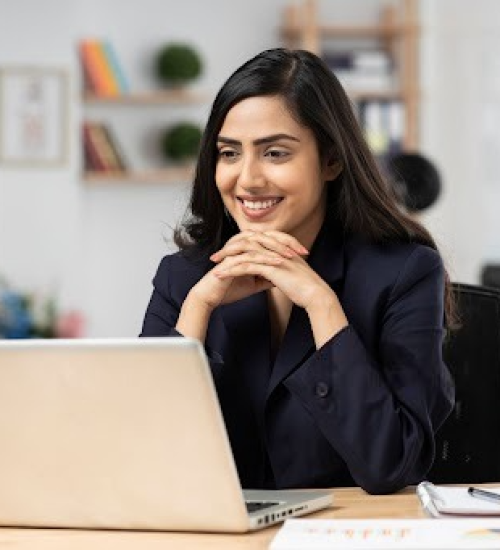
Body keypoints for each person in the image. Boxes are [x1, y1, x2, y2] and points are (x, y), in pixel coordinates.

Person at [140, 48, 455, 494]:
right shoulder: (184, 278)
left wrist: (323, 306)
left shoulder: (404, 272)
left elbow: (393, 467)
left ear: (331, 160)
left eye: (274, 153)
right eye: (229, 154)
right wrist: (197, 310)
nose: (246, 179)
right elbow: (143, 458)